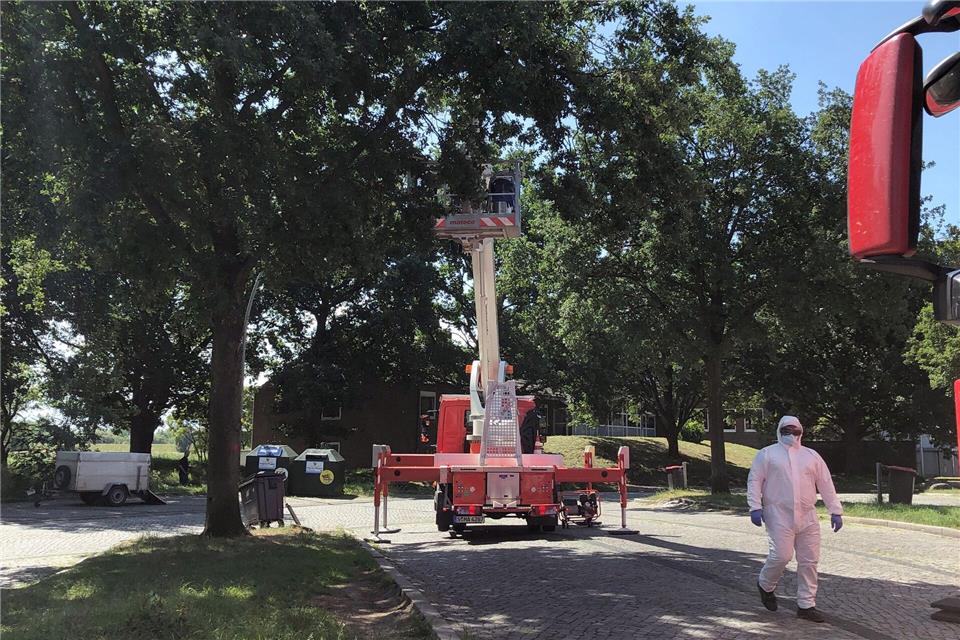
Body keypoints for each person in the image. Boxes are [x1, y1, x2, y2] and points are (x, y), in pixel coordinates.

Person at [747, 415, 843, 623]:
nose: (791, 434)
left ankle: (806, 605)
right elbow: (755, 480)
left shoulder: (811, 456)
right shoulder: (767, 454)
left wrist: (835, 510)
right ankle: (765, 585)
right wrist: (754, 506)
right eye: (787, 430)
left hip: (808, 515)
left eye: (795, 430)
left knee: (809, 561)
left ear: (802, 431)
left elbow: (825, 483)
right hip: (778, 513)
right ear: (779, 431)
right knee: (781, 556)